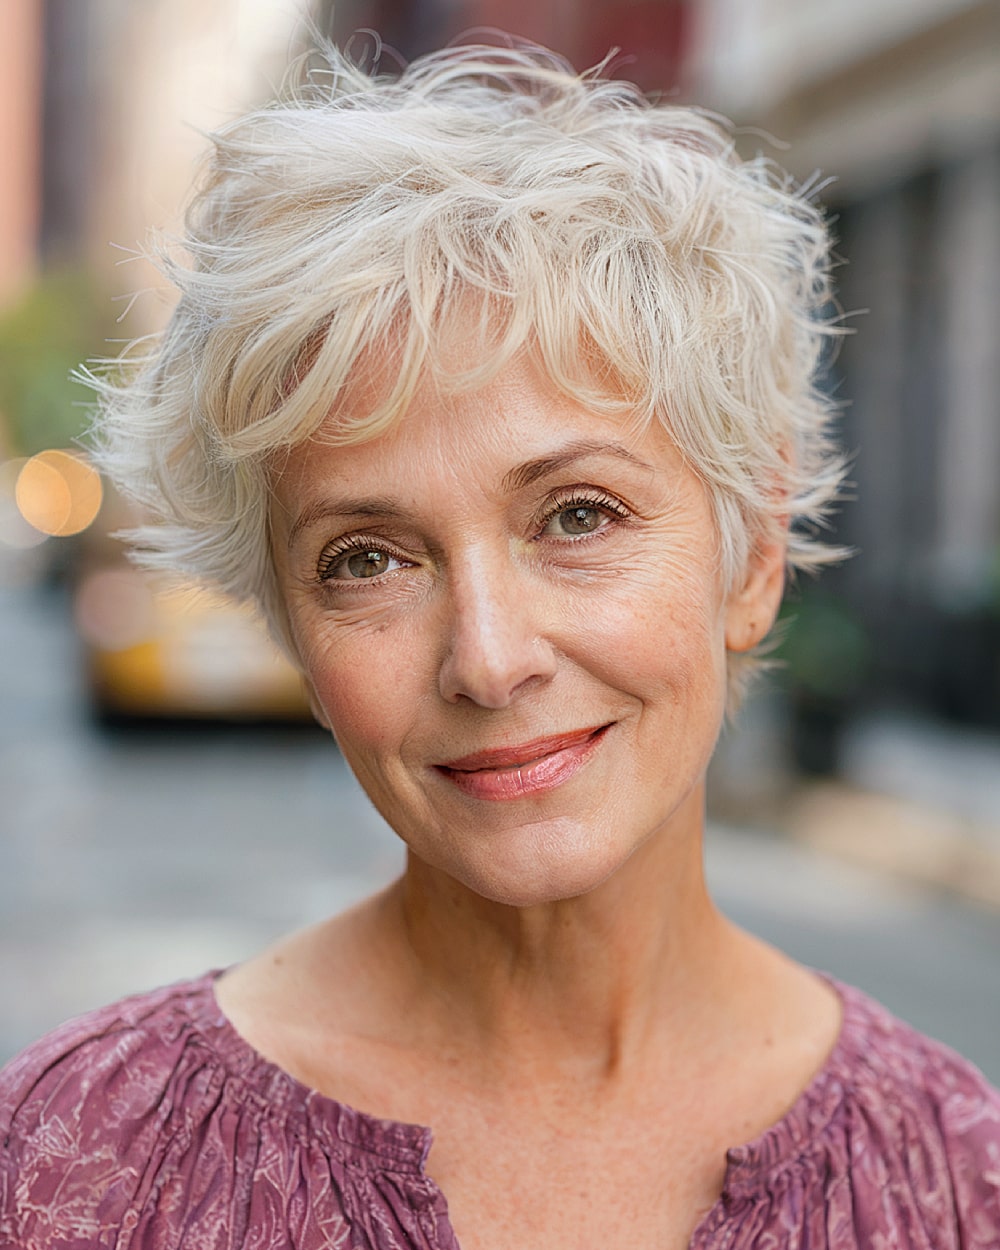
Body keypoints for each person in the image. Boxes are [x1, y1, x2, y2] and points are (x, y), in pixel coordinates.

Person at [2, 37, 998, 1250]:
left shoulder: (954, 1175)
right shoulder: (81, 1170)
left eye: (577, 515)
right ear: (294, 635)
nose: (487, 656)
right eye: (367, 557)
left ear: (752, 556)